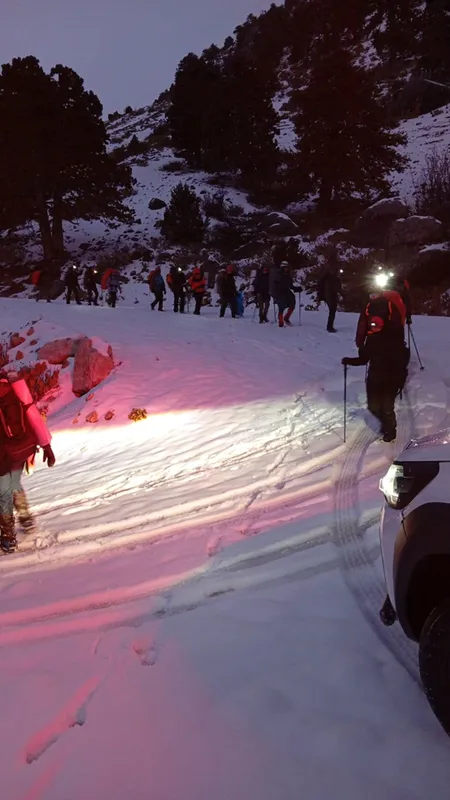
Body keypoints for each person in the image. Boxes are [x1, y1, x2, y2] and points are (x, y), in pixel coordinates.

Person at [0, 370, 55, 552]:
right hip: (20, 450)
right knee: (14, 483)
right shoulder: (14, 388)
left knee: (3, 493)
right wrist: (46, 446)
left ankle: (8, 538)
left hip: (2, 455)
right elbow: (33, 417)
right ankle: (26, 518)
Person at [342, 295, 409, 443]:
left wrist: (400, 379)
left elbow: (402, 361)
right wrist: (348, 361)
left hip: (390, 380)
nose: (374, 327)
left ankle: (390, 431)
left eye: (376, 324)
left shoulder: (394, 341)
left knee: (387, 408)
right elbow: (364, 359)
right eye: (372, 325)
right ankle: (385, 424)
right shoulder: (371, 340)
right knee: (373, 407)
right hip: (374, 378)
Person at [270, 261, 300, 328]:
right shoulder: (278, 275)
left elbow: (290, 286)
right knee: (282, 306)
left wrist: (297, 289)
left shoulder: (288, 276)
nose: (286, 269)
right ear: (282, 268)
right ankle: (281, 322)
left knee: (292, 302)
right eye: (285, 267)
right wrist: (274, 293)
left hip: (286, 291)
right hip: (279, 292)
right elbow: (274, 285)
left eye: (287, 267)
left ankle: (286, 317)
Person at [318, 263, 342, 333]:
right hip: (331, 296)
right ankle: (329, 326)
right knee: (332, 311)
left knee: (332, 311)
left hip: (328, 296)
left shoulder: (328, 278)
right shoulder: (334, 279)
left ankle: (330, 326)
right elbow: (337, 289)